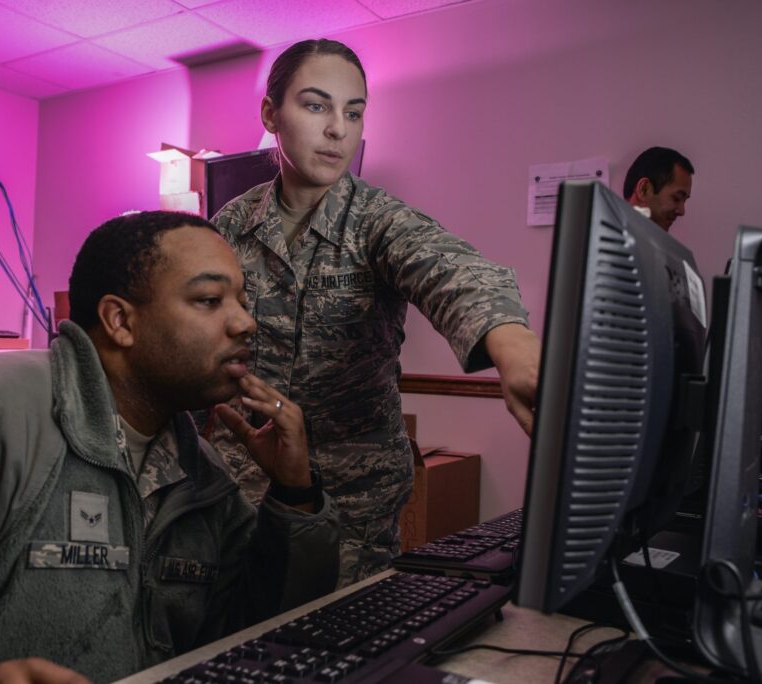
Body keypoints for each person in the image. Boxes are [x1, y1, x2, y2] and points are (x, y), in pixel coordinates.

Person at [0, 211, 339, 683]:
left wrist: (294, 493)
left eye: (242, 301)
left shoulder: (199, 473)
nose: (246, 322)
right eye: (209, 300)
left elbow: (257, 639)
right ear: (120, 321)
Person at [206, 38, 541, 587]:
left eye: (354, 112)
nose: (338, 129)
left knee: (344, 632)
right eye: (317, 105)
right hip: (242, 487)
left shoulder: (377, 220)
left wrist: (513, 342)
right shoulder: (229, 226)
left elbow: (448, 268)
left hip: (352, 504)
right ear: (271, 114)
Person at [622, 146, 694, 231]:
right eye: (676, 198)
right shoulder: (609, 236)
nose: (682, 211)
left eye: (684, 201)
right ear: (644, 189)